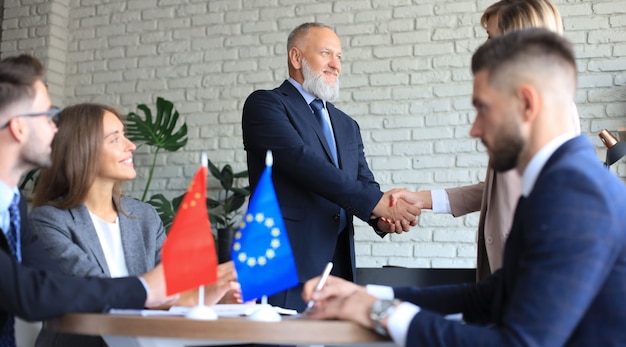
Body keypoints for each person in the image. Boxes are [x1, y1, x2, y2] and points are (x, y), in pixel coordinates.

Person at [303, 28, 626, 346]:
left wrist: (378, 311)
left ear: (527, 103)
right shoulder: (558, 183)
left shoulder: (576, 195)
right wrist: (366, 295)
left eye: (482, 108)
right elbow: (492, 293)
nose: (474, 129)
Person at [242, 22, 420, 311]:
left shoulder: (347, 125)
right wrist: (377, 203)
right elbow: (303, 162)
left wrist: (381, 218)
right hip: (283, 264)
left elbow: (364, 183)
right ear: (296, 58)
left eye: (339, 57)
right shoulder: (265, 104)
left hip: (337, 269)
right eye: (326, 53)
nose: (335, 65)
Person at [29, 103, 241, 347]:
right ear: (82, 149)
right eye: (115, 139)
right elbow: (95, 294)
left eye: (125, 135)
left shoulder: (145, 216)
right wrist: (190, 298)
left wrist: (218, 297)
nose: (131, 146)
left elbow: (174, 286)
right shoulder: (49, 221)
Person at [0, 54, 176, 347]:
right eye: (47, 116)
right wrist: (146, 287)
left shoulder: (12, 206)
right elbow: (33, 294)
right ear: (19, 127)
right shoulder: (46, 218)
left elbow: (58, 286)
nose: (55, 128)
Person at [405, 0, 581, 280]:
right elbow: (501, 186)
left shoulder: (545, 114)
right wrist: (422, 199)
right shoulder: (524, 108)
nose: (484, 48)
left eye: (491, 37)